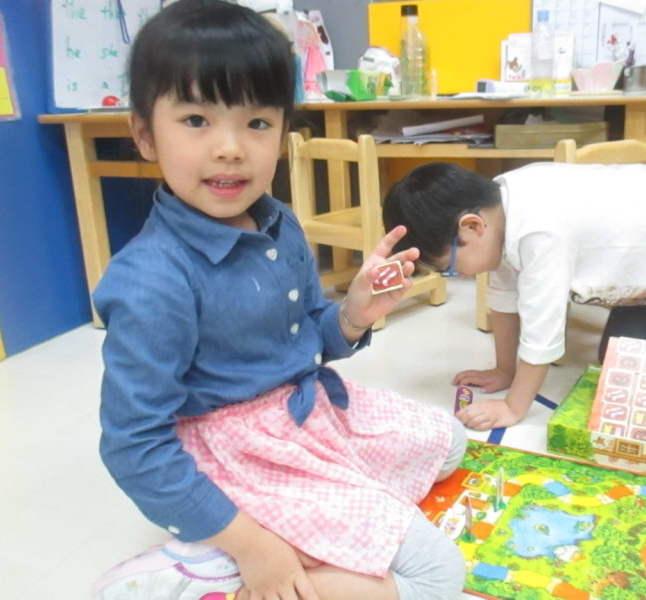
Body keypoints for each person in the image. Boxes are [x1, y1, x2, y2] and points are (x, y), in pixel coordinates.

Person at [90, 2, 467, 599]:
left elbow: (304, 341)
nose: (230, 148)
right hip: (241, 457)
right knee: (439, 577)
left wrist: (353, 314)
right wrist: (253, 546)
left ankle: (300, 535)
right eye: (196, 119)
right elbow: (134, 446)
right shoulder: (151, 279)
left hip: (305, 415)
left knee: (451, 441)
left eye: (257, 123)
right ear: (144, 134)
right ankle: (218, 575)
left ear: (284, 133)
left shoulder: (278, 222)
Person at [383, 161, 646, 431]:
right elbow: (503, 300)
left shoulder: (539, 232)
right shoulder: (495, 212)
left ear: (472, 226)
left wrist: (514, 406)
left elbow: (543, 333)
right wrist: (504, 370)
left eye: (449, 267)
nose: (459, 275)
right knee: (619, 361)